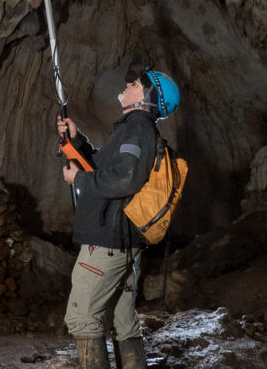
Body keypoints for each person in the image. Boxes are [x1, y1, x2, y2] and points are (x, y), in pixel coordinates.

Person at [58, 69, 180, 369]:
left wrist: (80, 180)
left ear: (147, 98)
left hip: (108, 242)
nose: (128, 85)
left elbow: (125, 179)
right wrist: (79, 141)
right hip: (125, 243)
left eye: (136, 84)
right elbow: (107, 166)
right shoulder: (134, 128)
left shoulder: (137, 128)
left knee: (82, 317)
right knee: (123, 319)